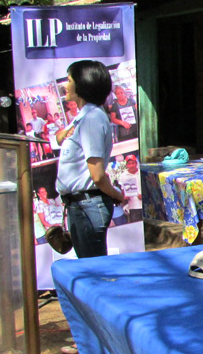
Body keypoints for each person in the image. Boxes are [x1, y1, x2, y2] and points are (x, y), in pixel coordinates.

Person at [55, 60, 125, 260]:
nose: (65, 86)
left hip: (88, 205)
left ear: (82, 83)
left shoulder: (92, 118)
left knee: (95, 273)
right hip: (79, 205)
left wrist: (116, 194)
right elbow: (62, 139)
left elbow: (97, 174)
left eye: (69, 80)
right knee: (90, 269)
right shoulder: (83, 117)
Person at [118, 154, 144, 223]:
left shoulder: (142, 172)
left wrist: (144, 196)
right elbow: (123, 192)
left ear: (136, 163)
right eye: (129, 163)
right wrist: (125, 198)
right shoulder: (123, 176)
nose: (131, 165)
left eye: (133, 163)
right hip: (133, 207)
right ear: (126, 165)